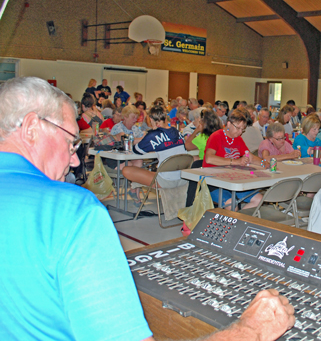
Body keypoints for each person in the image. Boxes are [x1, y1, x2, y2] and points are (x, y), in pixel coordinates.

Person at [0, 77, 295, 341]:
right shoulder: (71, 211)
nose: (75, 160)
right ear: (31, 128)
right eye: (70, 142)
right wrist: (250, 331)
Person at [203, 109, 264, 210]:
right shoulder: (216, 136)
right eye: (238, 128)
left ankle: (238, 218)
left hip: (232, 180)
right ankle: (233, 218)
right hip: (214, 182)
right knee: (231, 204)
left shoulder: (238, 139)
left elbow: (250, 157)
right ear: (228, 124)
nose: (240, 132)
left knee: (258, 199)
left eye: (242, 129)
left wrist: (264, 163)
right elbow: (209, 159)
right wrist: (235, 162)